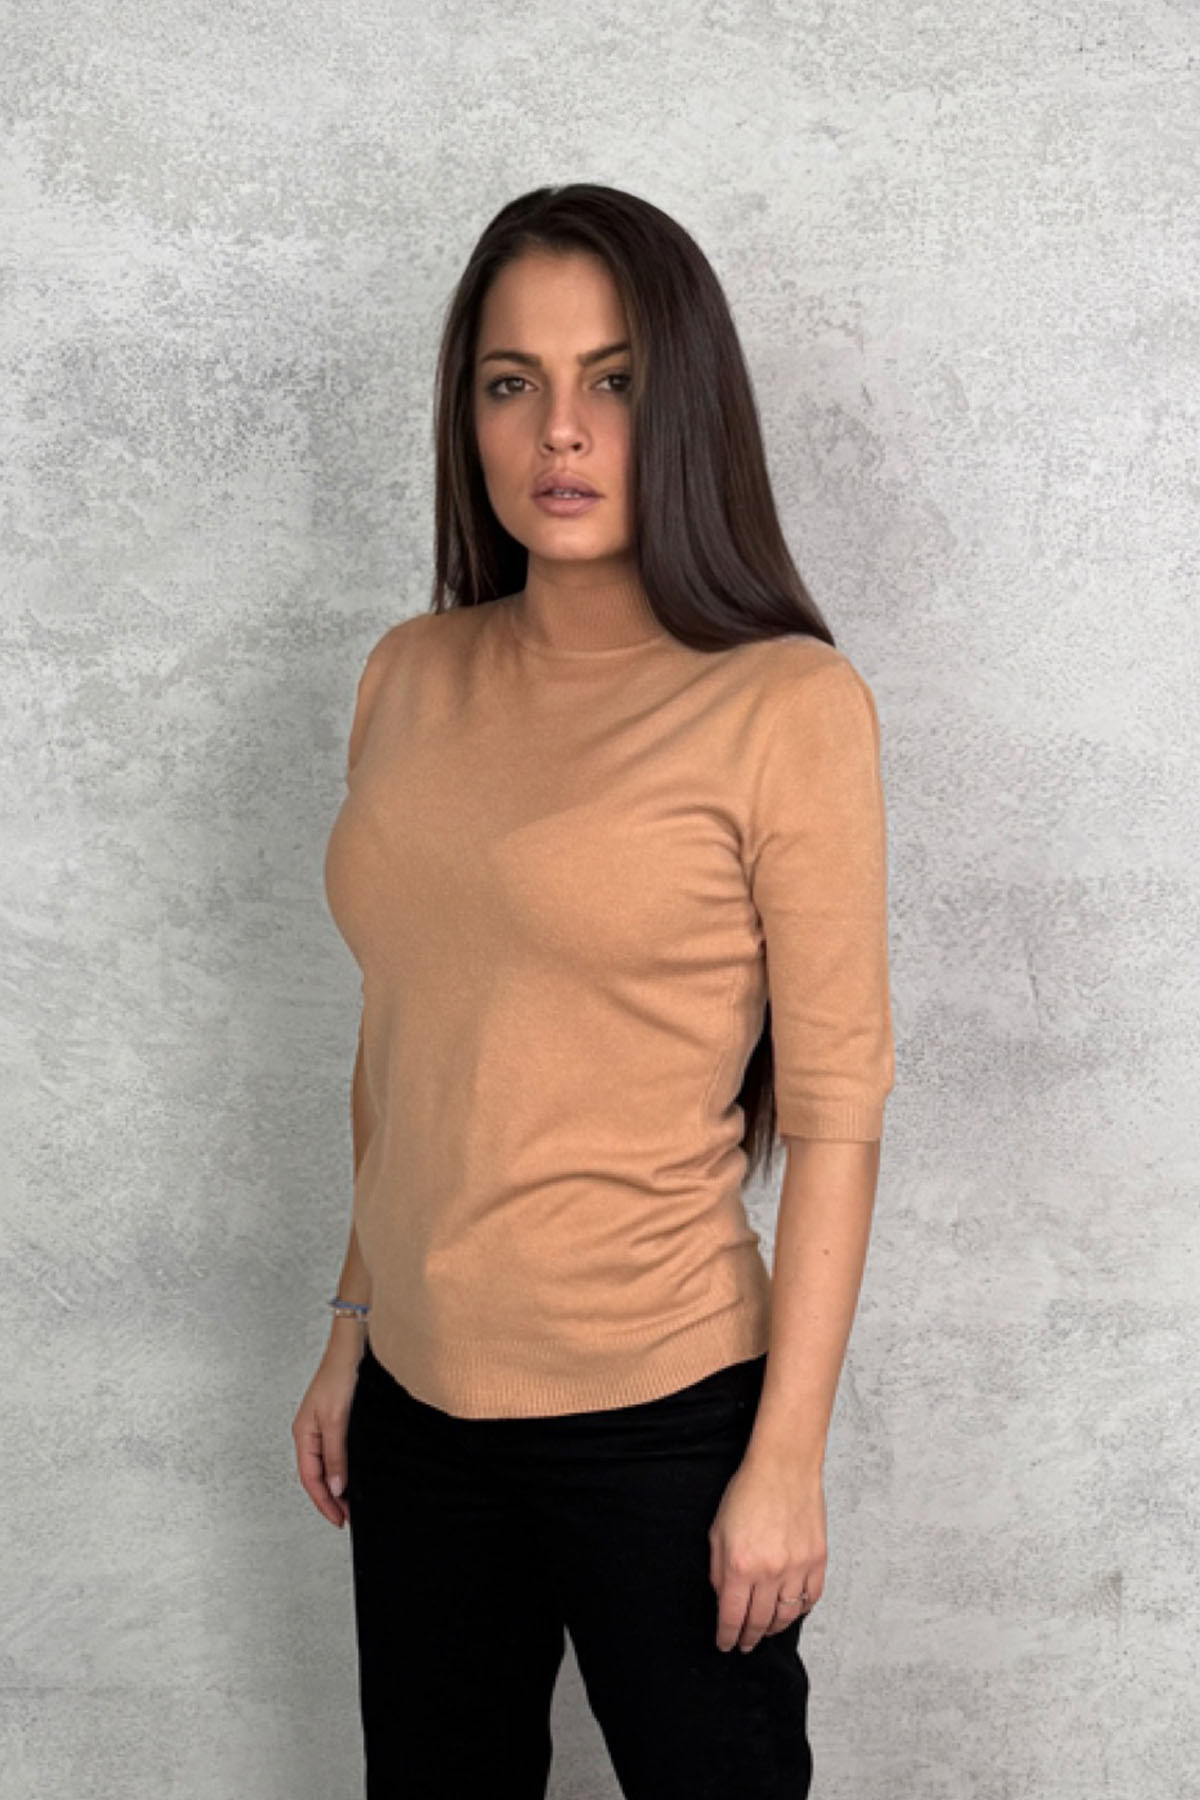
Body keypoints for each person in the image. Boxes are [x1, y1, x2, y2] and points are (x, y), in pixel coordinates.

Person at [292, 182, 895, 1799]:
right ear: (469, 412)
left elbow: (837, 1109)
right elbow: (405, 1038)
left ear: (683, 404)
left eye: (613, 380)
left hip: (664, 1419)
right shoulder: (407, 676)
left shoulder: (786, 706)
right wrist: (353, 1327)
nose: (560, 429)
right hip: (419, 1412)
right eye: (514, 381)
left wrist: (786, 1462)